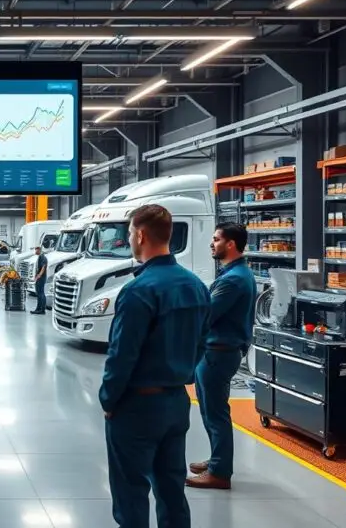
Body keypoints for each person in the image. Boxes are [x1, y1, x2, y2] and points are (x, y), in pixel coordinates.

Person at [99, 205, 210, 528]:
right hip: (176, 402)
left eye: (131, 232)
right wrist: (183, 373)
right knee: (171, 488)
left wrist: (109, 399)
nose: (130, 238)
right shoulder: (195, 285)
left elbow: (122, 354)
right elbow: (203, 340)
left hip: (136, 405)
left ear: (141, 235)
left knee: (131, 491)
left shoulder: (138, 291)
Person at [187, 223, 256, 490]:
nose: (211, 243)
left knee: (215, 413)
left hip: (218, 352)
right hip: (219, 351)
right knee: (210, 410)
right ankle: (217, 459)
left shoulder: (233, 280)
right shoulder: (236, 274)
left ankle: (219, 471)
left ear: (230, 244)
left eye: (216, 239)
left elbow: (207, 315)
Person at [31, 245, 48, 315]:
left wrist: (39, 276)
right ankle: (38, 308)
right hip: (39, 277)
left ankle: (42, 309)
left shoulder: (43, 257)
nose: (35, 251)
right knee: (39, 293)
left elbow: (43, 267)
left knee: (41, 293)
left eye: (36, 249)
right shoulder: (40, 257)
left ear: (39, 250)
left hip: (41, 277)